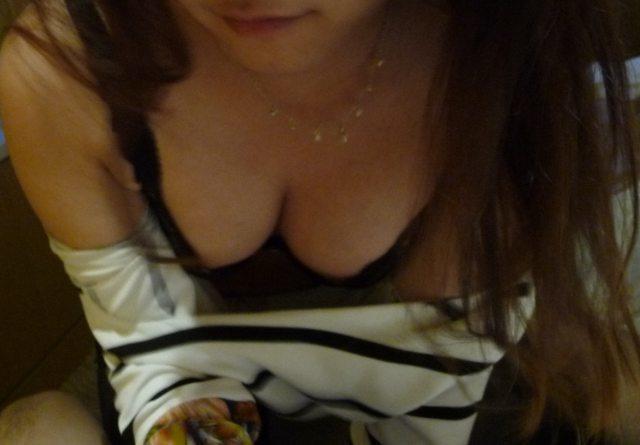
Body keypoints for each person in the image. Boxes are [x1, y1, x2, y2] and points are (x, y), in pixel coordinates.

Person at [0, 0, 638, 444]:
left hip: (441, 388)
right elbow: (150, 342)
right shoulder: (66, 66)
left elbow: (445, 371)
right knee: (33, 429)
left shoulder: (493, 50)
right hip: (189, 393)